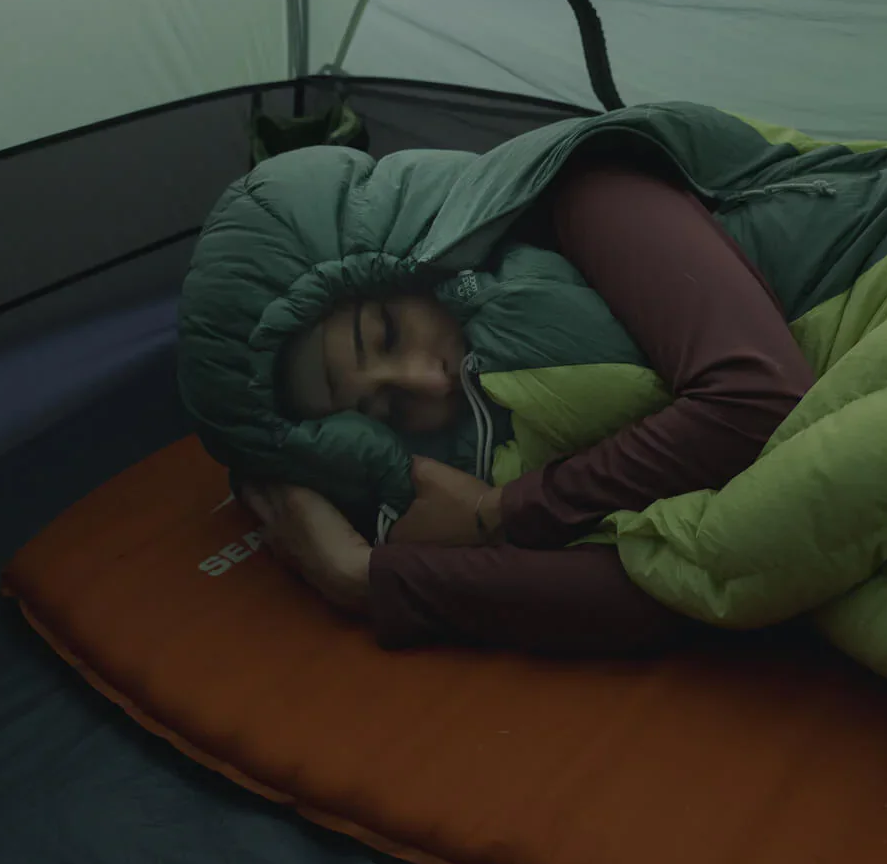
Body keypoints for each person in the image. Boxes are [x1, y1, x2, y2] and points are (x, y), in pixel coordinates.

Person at [237, 164, 816, 656]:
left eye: (387, 333)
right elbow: (683, 586)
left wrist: (503, 512)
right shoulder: (492, 452)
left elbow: (760, 403)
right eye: (387, 407)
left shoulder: (596, 195)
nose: (428, 383)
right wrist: (362, 573)